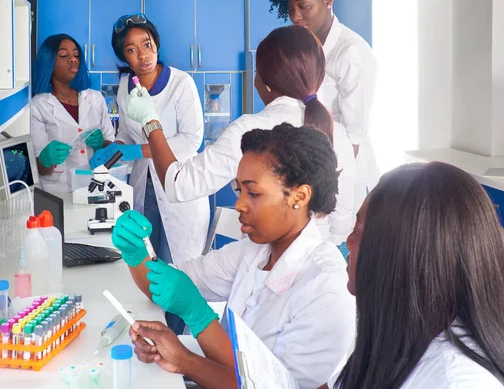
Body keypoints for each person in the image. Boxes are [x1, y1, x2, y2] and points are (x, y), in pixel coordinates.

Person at [113, 124, 356, 389]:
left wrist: (190, 345)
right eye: (239, 190)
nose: (239, 204)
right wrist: (136, 255)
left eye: (253, 193)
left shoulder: (326, 284)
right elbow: (164, 287)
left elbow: (272, 388)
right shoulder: (254, 250)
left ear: (299, 196)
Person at [125, 25, 356, 247]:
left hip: (267, 267)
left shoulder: (250, 133)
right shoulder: (338, 133)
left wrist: (150, 121)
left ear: (265, 82)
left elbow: (179, 185)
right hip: (319, 262)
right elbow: (341, 225)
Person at [315, 162, 504, 389]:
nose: (348, 243)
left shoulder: (456, 384)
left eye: (358, 232)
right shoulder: (402, 336)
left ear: (400, 257)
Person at [90, 14, 209, 267]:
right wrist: (114, 151)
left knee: (180, 269)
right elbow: (124, 133)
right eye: (131, 50)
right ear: (124, 57)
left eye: (146, 44)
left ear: (156, 42)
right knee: (149, 265)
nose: (143, 55)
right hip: (143, 188)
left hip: (179, 186)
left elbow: (191, 141)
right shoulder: (125, 86)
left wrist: (138, 151)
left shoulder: (181, 84)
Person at [269, 0, 378, 212]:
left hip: (341, 180)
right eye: (290, 10)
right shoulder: (304, 47)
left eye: (303, 6)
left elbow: (353, 138)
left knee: (340, 240)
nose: (296, 17)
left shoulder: (351, 52)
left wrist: (325, 190)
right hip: (310, 174)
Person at [31, 34, 116, 194]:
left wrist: (101, 145)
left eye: (76, 55)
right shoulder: (38, 106)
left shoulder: (96, 99)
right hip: (58, 193)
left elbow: (112, 148)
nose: (73, 59)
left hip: (95, 188)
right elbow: (40, 169)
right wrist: (45, 159)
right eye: (64, 55)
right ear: (48, 62)